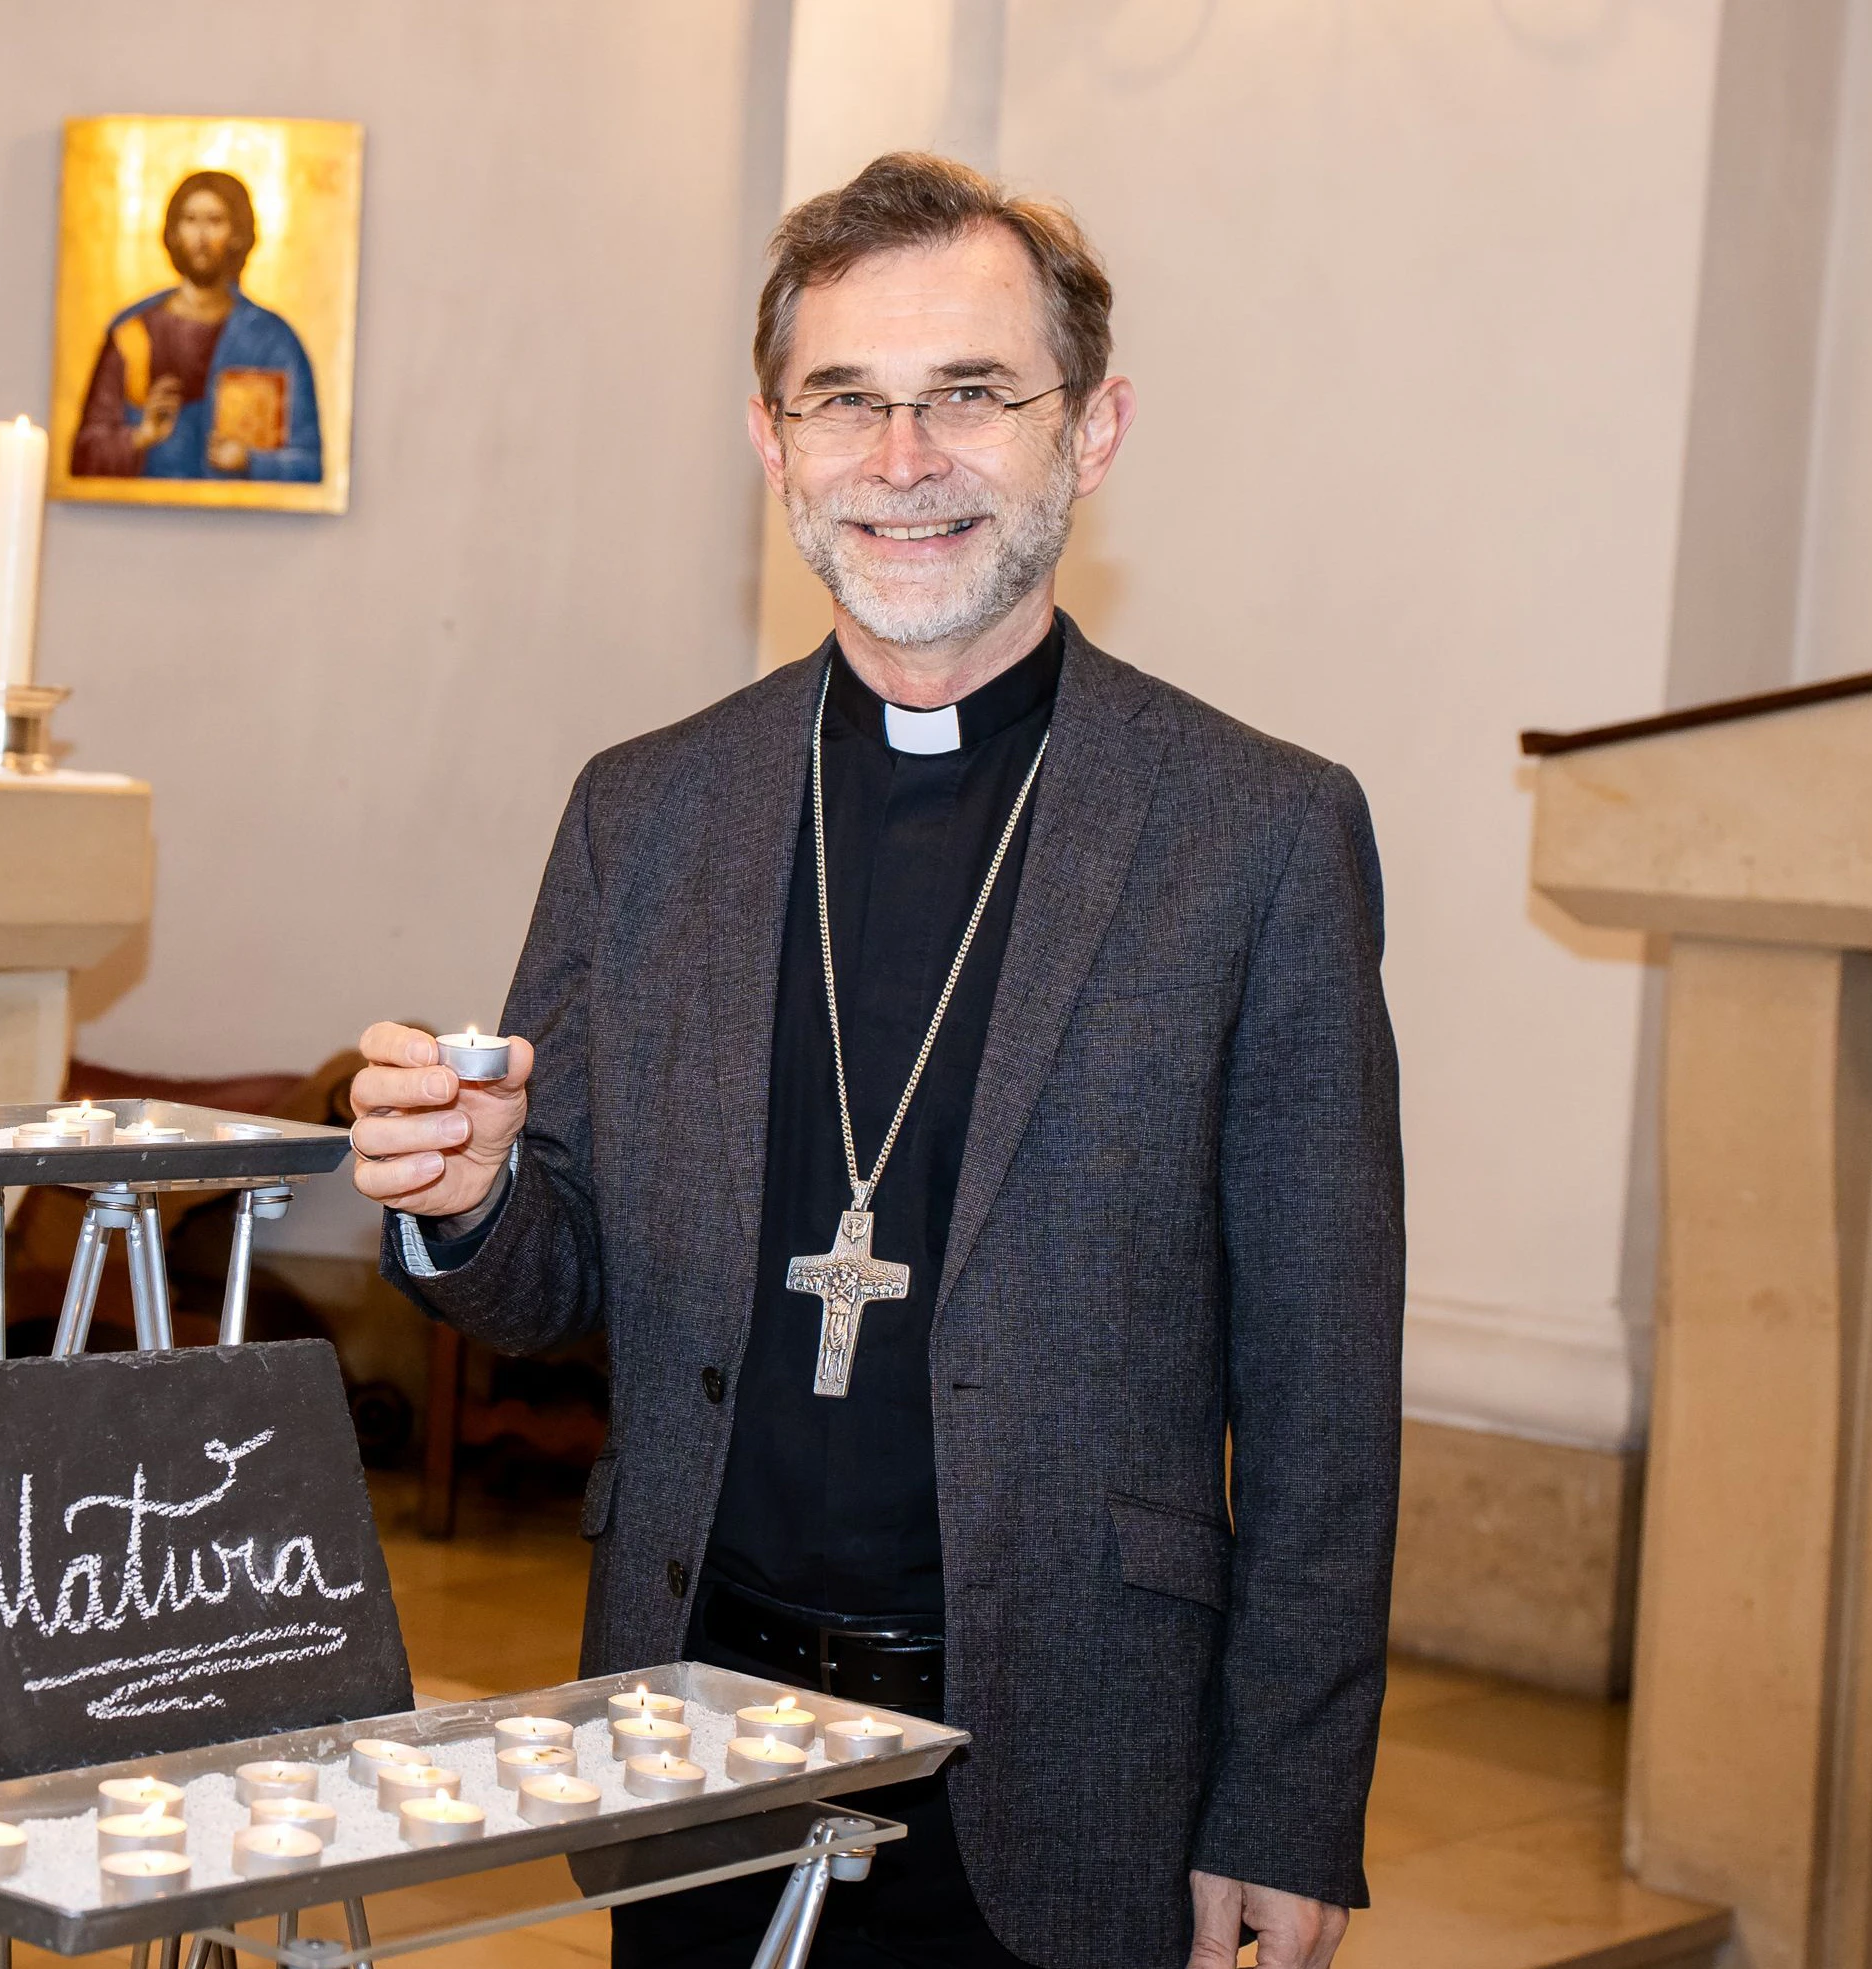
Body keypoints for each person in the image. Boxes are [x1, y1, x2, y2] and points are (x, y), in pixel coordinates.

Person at [354, 152, 1399, 1969]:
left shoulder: (1256, 833)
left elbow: (1323, 1385)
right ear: (772, 440)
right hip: (689, 1736)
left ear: (1096, 429)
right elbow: (553, 1275)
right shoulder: (650, 808)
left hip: (1072, 1759)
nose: (903, 460)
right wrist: (474, 1193)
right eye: (846, 400)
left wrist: (1285, 1799)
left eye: (972, 395)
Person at [68, 168, 323, 482]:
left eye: (215, 221)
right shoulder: (133, 333)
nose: (201, 237)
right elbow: (84, 455)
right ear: (173, 232)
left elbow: (311, 464)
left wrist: (251, 461)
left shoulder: (272, 340)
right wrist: (140, 436)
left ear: (238, 234)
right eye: (190, 221)